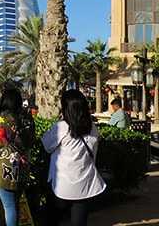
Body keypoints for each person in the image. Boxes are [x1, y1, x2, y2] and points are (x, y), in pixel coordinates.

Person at [42, 89, 106, 226]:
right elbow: (94, 153)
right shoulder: (93, 129)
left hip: (61, 184)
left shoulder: (61, 127)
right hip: (85, 184)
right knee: (79, 223)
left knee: (51, 220)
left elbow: (47, 146)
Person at [0, 87, 35, 226]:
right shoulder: (27, 118)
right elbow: (32, 140)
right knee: (15, 204)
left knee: (9, 206)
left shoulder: (0, 117)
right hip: (23, 165)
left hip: (5, 166)